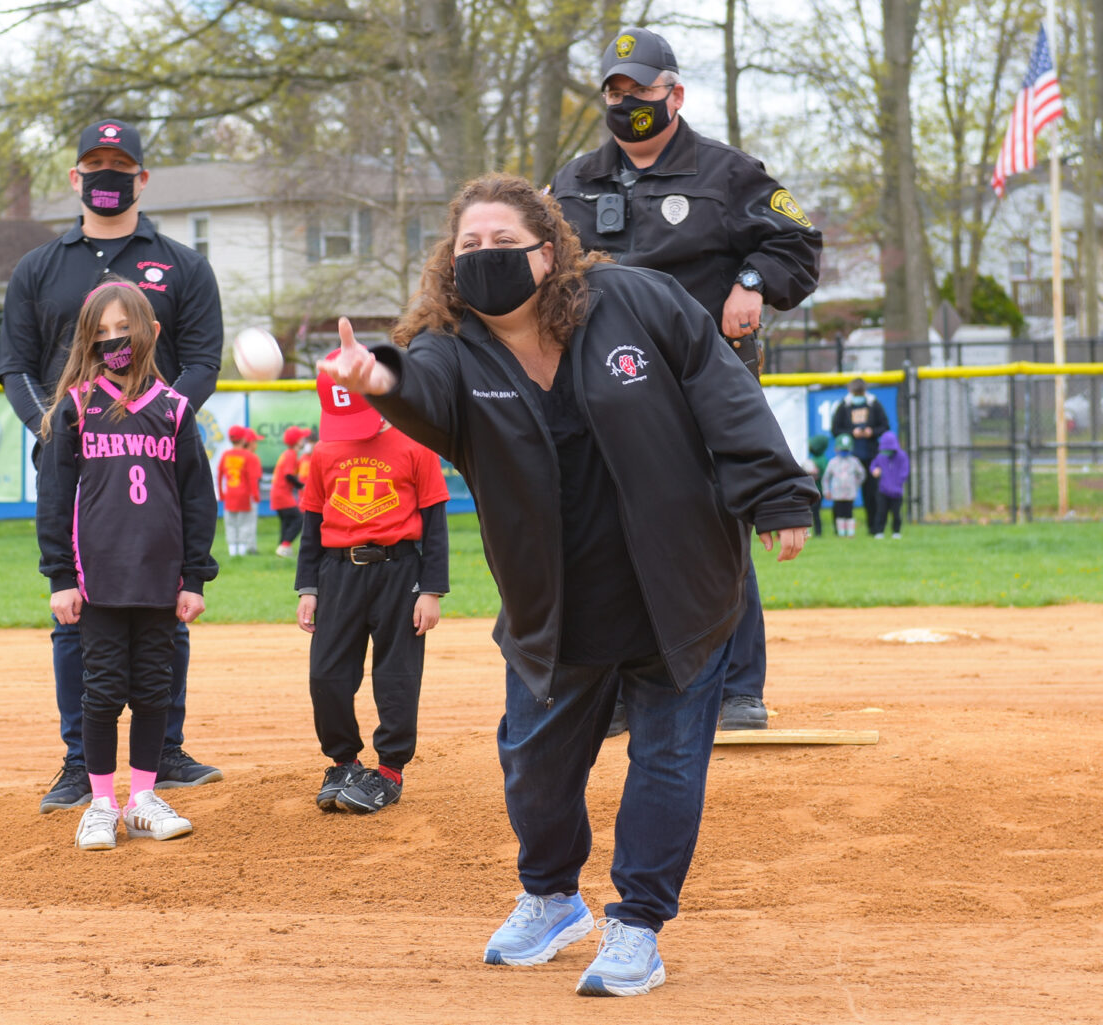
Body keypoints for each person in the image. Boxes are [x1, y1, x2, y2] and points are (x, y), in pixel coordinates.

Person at [318, 173, 814, 997]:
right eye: (469, 246)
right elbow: (422, 386)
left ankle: (637, 926)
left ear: (548, 251)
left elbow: (722, 391)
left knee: (667, 763)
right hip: (557, 608)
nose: (485, 257)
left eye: (502, 243)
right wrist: (381, 380)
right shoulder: (453, 346)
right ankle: (551, 897)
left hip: (679, 587)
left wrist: (776, 491)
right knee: (535, 772)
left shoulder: (634, 301)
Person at [550, 27, 823, 734]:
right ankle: (611, 690)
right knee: (605, 532)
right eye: (614, 90)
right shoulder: (574, 181)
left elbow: (798, 239)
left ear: (674, 93)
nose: (625, 102)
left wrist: (753, 282)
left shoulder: (728, 174)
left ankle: (736, 687)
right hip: (606, 385)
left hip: (706, 382)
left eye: (638, 89)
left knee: (717, 528)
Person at [0, 118, 226, 813]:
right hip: (77, 454)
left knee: (165, 607)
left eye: (118, 164)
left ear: (141, 178)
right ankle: (78, 762)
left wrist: (157, 415)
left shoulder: (182, 264)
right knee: (78, 608)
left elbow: (203, 361)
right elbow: (15, 363)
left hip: (157, 457)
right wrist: (53, 420)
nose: (106, 175)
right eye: (93, 164)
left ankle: (167, 752)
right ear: (74, 177)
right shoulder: (38, 267)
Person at [35, 277, 219, 851]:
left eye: (126, 330)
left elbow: (196, 499)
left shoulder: (174, 410)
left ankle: (141, 799)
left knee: (153, 692)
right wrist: (61, 577)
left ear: (151, 333)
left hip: (161, 583)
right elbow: (55, 499)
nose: (116, 341)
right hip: (100, 584)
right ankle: (101, 803)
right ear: (88, 342)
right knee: (103, 692)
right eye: (102, 333)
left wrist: (194, 578)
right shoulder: (77, 408)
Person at [295, 366, 450, 813]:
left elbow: (436, 527)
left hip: (400, 570)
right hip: (337, 573)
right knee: (327, 674)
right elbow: (311, 523)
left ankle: (389, 771)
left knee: (397, 675)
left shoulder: (415, 445)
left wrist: (431, 590)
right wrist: (308, 586)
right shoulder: (324, 451)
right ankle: (344, 762)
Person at [831, 377, 891, 523]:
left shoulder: (873, 404)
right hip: (849, 457)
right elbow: (836, 429)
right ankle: (841, 526)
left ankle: (874, 526)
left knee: (871, 493)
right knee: (843, 493)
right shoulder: (844, 406)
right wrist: (852, 432)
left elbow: (885, 426)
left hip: (870, 455)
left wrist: (872, 431)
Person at [217, 425, 264, 556]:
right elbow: (253, 478)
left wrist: (221, 493)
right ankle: (242, 552)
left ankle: (232, 551)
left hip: (230, 495)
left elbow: (220, 474)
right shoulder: (250, 456)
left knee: (231, 524)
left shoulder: (226, 455)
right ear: (244, 439)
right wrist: (255, 495)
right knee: (245, 524)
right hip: (244, 496)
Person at [271, 425, 314, 558]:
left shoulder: (287, 454)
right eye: (302, 438)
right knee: (298, 519)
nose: (304, 441)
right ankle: (285, 545)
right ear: (297, 441)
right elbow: (288, 475)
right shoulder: (291, 454)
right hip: (282, 494)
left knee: (286, 522)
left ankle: (282, 548)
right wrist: (301, 486)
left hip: (277, 493)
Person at [868, 429, 910, 538]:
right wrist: (874, 470)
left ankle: (896, 531)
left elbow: (904, 472)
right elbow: (873, 465)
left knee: (896, 514)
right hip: (883, 490)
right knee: (881, 512)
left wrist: (897, 483)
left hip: (897, 492)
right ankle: (879, 531)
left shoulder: (902, 456)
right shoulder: (881, 456)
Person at [823, 434, 866, 537]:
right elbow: (826, 478)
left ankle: (850, 533)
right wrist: (826, 491)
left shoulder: (854, 462)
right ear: (836, 449)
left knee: (849, 513)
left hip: (849, 494)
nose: (844, 452)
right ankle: (840, 533)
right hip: (837, 493)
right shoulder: (833, 462)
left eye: (846, 450)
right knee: (839, 513)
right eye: (842, 450)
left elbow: (862, 474)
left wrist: (856, 485)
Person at [805, 433, 831, 537]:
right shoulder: (812, 459)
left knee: (815, 511)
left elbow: (825, 474)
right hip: (811, 490)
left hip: (818, 490)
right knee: (809, 511)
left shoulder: (822, 460)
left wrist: (816, 473)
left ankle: (818, 532)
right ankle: (809, 532)